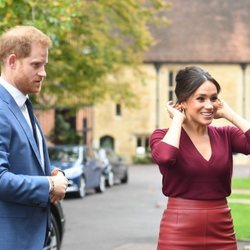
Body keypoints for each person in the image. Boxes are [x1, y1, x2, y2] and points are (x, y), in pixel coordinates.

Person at [150, 66, 250, 250]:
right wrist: (178, 120)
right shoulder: (162, 136)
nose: (209, 106)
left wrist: (229, 114)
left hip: (222, 229)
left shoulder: (226, 135)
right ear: (183, 102)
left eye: (213, 98)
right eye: (200, 99)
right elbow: (165, 157)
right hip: (179, 230)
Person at [0, 26, 68, 250]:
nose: (43, 73)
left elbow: (20, 163)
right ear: (12, 61)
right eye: (36, 65)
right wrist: (49, 185)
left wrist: (51, 173)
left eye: (44, 65)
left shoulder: (24, 106)